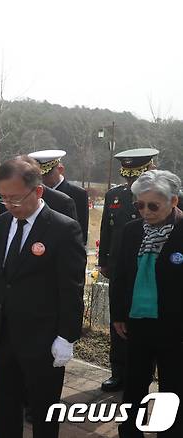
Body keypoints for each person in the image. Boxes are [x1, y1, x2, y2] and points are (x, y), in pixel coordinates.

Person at [0, 156, 86, 438]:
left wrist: (67, 337)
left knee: (43, 409)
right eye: (3, 198)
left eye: (15, 198)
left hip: (43, 337)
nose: (9, 205)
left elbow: (71, 288)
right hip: (4, 332)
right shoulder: (2, 224)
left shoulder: (63, 229)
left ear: (37, 191)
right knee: (3, 402)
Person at [110, 170, 183, 438]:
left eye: (153, 205)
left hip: (174, 326)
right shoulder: (132, 231)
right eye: (139, 205)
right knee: (135, 381)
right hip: (137, 322)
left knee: (173, 385)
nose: (146, 212)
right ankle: (130, 429)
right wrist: (118, 314)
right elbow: (120, 276)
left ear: (173, 201)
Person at [98, 148, 159, 392]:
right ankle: (118, 371)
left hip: (149, 271)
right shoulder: (115, 195)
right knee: (118, 321)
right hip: (119, 270)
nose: (131, 182)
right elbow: (106, 230)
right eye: (128, 177)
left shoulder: (164, 197)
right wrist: (103, 260)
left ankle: (146, 371)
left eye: (136, 176)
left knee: (148, 324)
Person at [29, 150, 90, 245]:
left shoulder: (78, 194)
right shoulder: (33, 193)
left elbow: (81, 233)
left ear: (60, 169)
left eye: (47, 174)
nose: (43, 179)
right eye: (39, 176)